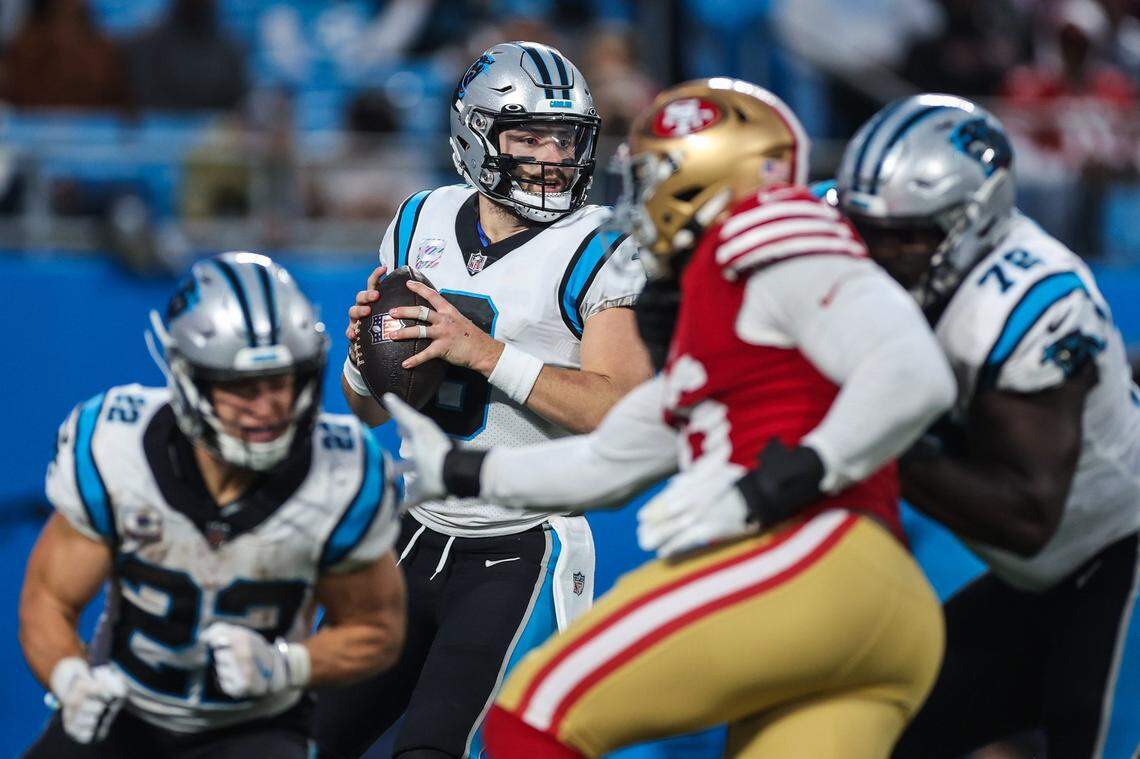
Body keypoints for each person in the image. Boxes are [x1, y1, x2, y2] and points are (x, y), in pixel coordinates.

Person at [384, 77, 956, 758]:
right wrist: (465, 468)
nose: (639, 201)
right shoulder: (723, 300)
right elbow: (615, 457)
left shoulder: (765, 230)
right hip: (876, 611)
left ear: (710, 177)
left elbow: (914, 370)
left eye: (655, 176)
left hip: (812, 556)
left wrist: (787, 476)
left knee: (534, 713)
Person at [318, 41, 652, 758]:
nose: (552, 158)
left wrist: (487, 353)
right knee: (299, 736)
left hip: (523, 544)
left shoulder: (601, 244)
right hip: (413, 532)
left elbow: (622, 411)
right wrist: (361, 360)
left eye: (566, 139)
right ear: (476, 134)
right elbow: (372, 410)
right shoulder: (418, 218)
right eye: (529, 136)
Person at [833, 93, 1140, 759]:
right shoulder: (848, 226)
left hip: (1120, 559)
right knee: (892, 730)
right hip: (1047, 579)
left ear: (976, 220)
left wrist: (864, 429)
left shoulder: (1028, 305)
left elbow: (1030, 518)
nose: (877, 254)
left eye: (906, 236)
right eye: (865, 229)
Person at [18, 252, 407, 758]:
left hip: (256, 729)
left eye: (282, 381)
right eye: (242, 388)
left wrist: (285, 665)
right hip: (125, 715)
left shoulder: (341, 469)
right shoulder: (116, 444)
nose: (268, 407)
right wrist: (70, 679)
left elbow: (376, 628)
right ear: (189, 379)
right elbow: (49, 601)